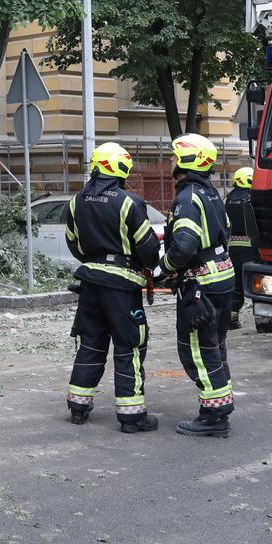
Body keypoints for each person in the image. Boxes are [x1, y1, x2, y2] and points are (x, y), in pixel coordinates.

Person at [63, 142, 163, 434]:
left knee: (91, 342)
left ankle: (78, 408)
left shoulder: (76, 201)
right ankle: (132, 417)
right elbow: (147, 247)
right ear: (120, 168)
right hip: (121, 286)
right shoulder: (129, 201)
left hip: (90, 282)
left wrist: (94, 260)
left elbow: (73, 243)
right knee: (128, 345)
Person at [162, 133, 237, 438]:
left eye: (174, 155)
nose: (170, 160)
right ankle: (221, 401)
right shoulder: (212, 193)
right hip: (222, 278)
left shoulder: (187, 197)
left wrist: (164, 267)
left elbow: (183, 246)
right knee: (215, 346)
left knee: (198, 350)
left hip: (200, 285)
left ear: (185, 160)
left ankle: (214, 416)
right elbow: (227, 232)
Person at [225, 167, 272, 334]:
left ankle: (230, 320)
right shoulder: (253, 198)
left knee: (235, 286)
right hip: (253, 249)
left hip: (232, 249)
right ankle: (264, 323)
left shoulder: (227, 199)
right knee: (261, 285)